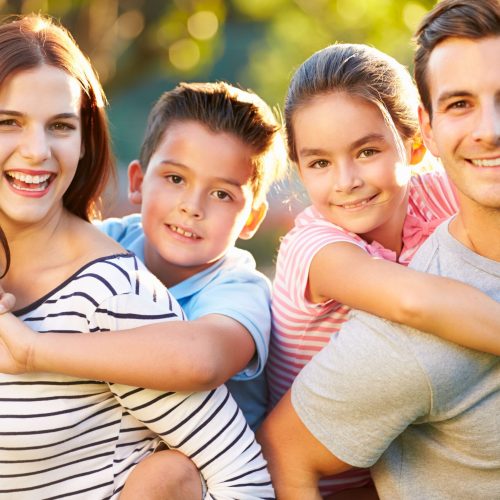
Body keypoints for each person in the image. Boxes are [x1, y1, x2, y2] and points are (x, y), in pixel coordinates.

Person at [0, 14, 274, 499]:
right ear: (137, 183)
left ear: (84, 141)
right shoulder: (119, 240)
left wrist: (31, 350)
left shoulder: (115, 289)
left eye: (60, 126)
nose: (35, 150)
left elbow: (203, 364)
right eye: (8, 122)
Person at [259, 0, 500, 498]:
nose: (347, 181)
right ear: (300, 171)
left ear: (415, 145)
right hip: (320, 474)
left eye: (367, 152)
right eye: (320, 163)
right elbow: (413, 302)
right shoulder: (317, 247)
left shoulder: (436, 188)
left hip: (387, 455)